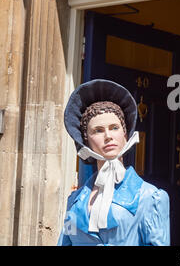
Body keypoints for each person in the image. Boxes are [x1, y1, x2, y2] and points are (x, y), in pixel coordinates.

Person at [58, 79, 170, 246]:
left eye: (114, 128)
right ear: (86, 141)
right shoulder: (74, 200)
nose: (108, 136)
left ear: (125, 135)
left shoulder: (150, 198)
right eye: (98, 130)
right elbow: (66, 241)